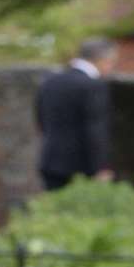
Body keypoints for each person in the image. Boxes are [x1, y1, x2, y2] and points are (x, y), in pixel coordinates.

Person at [34, 37, 116, 190]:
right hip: (81, 168)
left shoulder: (50, 81)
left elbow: (40, 120)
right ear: (102, 59)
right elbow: (95, 129)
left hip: (50, 161)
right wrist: (101, 168)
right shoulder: (93, 85)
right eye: (111, 62)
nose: (111, 68)